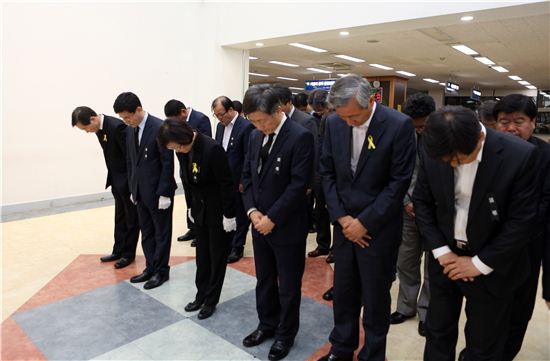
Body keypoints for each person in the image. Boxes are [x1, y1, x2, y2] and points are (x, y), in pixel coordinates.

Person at [413, 105, 538, 361]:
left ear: (480, 137)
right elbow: (423, 203)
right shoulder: (433, 147)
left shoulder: (520, 155)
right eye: (447, 162)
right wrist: (442, 252)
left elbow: (522, 222)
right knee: (437, 332)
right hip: (445, 258)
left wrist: (479, 264)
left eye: (459, 160)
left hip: (492, 263)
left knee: (484, 341)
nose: (453, 165)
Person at [318, 74, 416, 361]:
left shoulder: (398, 125)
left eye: (354, 116)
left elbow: (398, 182)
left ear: (371, 100)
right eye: (343, 116)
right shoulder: (334, 122)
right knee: (344, 293)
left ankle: (373, 354)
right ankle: (341, 348)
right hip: (345, 226)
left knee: (375, 298)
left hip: (379, 230)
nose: (349, 122)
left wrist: (365, 222)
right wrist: (342, 218)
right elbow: (327, 172)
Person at [241, 84, 314, 361]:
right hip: (259, 224)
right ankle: (266, 324)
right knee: (264, 280)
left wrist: (273, 218)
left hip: (287, 227)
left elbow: (298, 186)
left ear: (279, 110)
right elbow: (247, 178)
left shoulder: (300, 137)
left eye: (262, 120)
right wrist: (252, 212)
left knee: (288, 286)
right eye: (253, 121)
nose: (258, 126)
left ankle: (285, 335)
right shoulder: (252, 136)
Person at [157, 119, 236, 319]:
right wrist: (191, 207)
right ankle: (200, 295)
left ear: (183, 139)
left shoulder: (212, 149)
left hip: (218, 212)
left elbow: (227, 184)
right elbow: (188, 180)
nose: (177, 152)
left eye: (176, 147)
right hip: (200, 210)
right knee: (202, 257)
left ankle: (211, 300)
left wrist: (229, 215)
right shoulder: (182, 150)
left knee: (216, 258)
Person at [493, 94, 550, 360]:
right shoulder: (486, 151)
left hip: (528, 247)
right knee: (487, 310)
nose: (511, 128)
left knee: (519, 309)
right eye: (504, 122)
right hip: (488, 247)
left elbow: (546, 204)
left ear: (533, 122)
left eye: (519, 121)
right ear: (495, 124)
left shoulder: (546, 155)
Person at [114, 92, 177, 290]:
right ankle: (150, 267)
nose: (126, 121)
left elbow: (167, 163)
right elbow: (131, 161)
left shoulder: (159, 127)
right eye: (122, 118)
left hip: (159, 193)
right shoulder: (131, 130)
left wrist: (165, 193)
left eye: (128, 116)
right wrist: (133, 188)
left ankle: (161, 271)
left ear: (139, 109)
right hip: (140, 192)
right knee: (147, 233)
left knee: (161, 233)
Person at [390, 93, 435, 337]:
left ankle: (427, 312)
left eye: (423, 125)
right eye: (414, 125)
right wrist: (407, 200)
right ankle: (406, 307)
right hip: (407, 211)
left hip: (435, 215)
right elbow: (398, 170)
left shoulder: (444, 138)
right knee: (405, 261)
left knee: (433, 265)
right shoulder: (403, 135)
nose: (418, 130)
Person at [71, 106, 139, 269]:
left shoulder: (117, 126)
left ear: (93, 119)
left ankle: (128, 254)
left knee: (131, 219)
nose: (87, 132)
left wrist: (131, 183)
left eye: (86, 128)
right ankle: (118, 250)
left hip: (127, 182)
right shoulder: (99, 130)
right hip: (116, 180)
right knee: (120, 217)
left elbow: (130, 157)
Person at [273, 84, 320, 248]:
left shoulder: (306, 121)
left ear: (287, 103)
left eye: (278, 105)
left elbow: (313, 154)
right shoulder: (272, 121)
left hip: (300, 181)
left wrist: (309, 184)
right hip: (279, 179)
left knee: (298, 218)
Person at [212, 95, 254, 263]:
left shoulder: (246, 127)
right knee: (227, 211)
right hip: (222, 179)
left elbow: (248, 157)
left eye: (221, 114)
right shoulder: (220, 127)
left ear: (231, 110)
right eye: (216, 115)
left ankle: (237, 247)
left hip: (238, 178)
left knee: (240, 214)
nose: (219, 118)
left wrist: (244, 180)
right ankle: (228, 243)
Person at [164, 99, 212, 245]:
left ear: (183, 112)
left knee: (199, 200)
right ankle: (192, 228)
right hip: (184, 167)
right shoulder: (176, 121)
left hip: (197, 167)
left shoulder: (201, 119)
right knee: (189, 200)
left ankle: (200, 231)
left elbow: (205, 143)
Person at [307, 88, 333, 261]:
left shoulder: (336, 118)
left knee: (335, 212)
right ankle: (323, 245)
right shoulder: (310, 120)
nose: (319, 113)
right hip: (317, 172)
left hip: (333, 173)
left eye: (321, 109)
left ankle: (336, 249)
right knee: (320, 210)